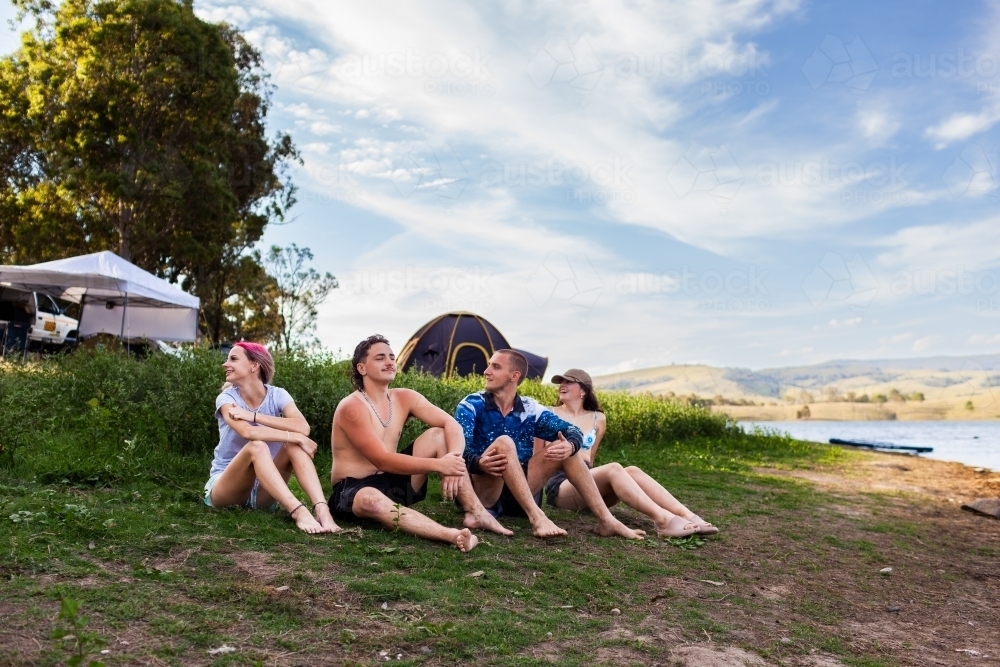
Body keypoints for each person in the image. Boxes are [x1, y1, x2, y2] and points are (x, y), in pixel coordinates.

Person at [329, 335, 513, 552]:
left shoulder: (404, 397)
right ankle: (451, 535)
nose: (389, 362)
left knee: (438, 434)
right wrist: (438, 465)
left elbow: (451, 424)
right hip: (353, 489)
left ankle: (476, 512)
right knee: (372, 500)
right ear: (362, 368)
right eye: (380, 358)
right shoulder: (351, 407)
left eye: (391, 357)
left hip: (394, 484)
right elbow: (382, 460)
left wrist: (453, 461)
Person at [455, 349, 646, 540]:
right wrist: (478, 463)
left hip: (521, 491)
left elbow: (573, 431)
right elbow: (459, 448)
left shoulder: (530, 409)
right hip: (485, 489)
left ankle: (607, 521)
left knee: (564, 447)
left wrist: (571, 445)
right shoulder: (472, 404)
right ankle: (538, 519)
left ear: (514, 376)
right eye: (489, 365)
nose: (486, 371)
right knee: (505, 442)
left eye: (495, 367)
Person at [542, 369, 719, 537]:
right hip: (561, 486)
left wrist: (594, 484)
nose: (562, 385)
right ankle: (663, 520)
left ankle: (686, 514)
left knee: (632, 470)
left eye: (568, 382)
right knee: (614, 468)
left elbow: (590, 459)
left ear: (583, 391)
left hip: (588, 482)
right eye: (560, 382)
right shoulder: (548, 414)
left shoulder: (598, 418)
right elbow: (537, 457)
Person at [205, 342, 338, 535]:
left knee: (294, 446)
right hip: (227, 486)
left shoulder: (278, 395)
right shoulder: (227, 399)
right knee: (257, 447)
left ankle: (322, 511)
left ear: (254, 365)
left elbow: (303, 426)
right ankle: (298, 511)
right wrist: (295, 437)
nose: (225, 364)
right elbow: (249, 433)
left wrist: (254, 416)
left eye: (233, 359)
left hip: (265, 491)